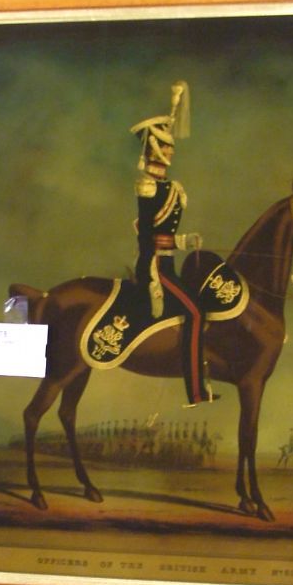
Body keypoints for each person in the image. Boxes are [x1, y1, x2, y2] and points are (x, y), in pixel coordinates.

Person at [130, 81, 217, 406]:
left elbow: (164, 233)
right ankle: (195, 391)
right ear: (152, 149)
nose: (171, 152)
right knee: (195, 313)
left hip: (168, 263)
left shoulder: (171, 187)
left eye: (170, 147)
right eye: (166, 147)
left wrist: (185, 240)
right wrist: (151, 274)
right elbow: (146, 236)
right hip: (156, 267)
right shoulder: (148, 187)